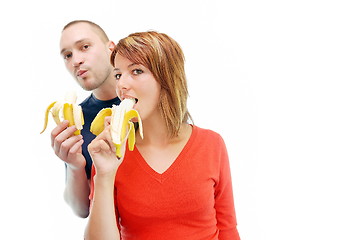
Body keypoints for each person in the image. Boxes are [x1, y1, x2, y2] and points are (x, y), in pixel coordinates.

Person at [85, 31, 240, 239]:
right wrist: (104, 176)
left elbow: (227, 229)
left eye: (137, 71)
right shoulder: (110, 153)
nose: (121, 85)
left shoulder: (212, 144)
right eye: (118, 75)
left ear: (167, 78)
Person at [51, 20, 120, 218]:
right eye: (68, 55)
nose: (76, 61)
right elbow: (81, 209)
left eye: (85, 47)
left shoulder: (147, 101)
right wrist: (74, 166)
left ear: (111, 49)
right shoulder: (76, 120)